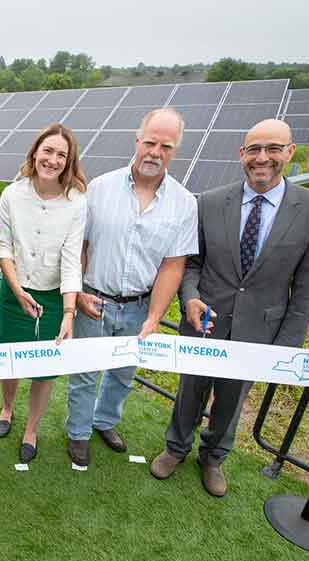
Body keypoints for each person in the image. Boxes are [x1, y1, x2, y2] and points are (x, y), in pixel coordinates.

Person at [151, 119, 309, 497]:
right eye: (254, 149)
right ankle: (176, 448)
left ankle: (213, 458)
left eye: (273, 148)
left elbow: (306, 287)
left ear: (289, 152)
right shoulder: (210, 201)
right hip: (204, 321)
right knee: (189, 390)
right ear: (241, 154)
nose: (262, 158)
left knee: (232, 400)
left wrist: (285, 349)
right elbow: (193, 263)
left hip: (259, 329)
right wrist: (189, 297)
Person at [66, 108, 198, 468]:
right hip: (94, 298)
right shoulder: (100, 188)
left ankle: (104, 421)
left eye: (166, 146)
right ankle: (78, 432)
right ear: (138, 141)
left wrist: (154, 316)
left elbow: (173, 265)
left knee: (123, 374)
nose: (156, 152)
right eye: (150, 142)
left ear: (175, 150)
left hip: (139, 305)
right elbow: (80, 247)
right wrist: (77, 294)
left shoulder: (184, 203)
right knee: (84, 373)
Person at [0, 123, 87, 464]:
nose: (53, 159)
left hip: (52, 297)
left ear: (69, 161)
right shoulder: (12, 194)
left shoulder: (76, 202)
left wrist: (68, 312)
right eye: (47, 150)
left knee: (44, 371)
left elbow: (71, 258)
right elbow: (4, 248)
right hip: (14, 292)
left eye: (61, 154)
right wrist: (17, 290)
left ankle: (31, 428)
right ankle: (7, 408)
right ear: (35, 153)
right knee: (11, 361)